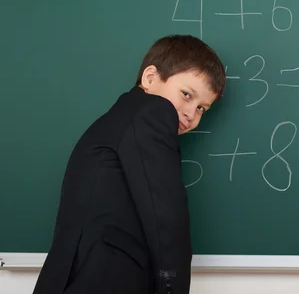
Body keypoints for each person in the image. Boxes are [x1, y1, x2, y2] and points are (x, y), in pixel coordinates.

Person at [32, 35, 226, 294]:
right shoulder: (153, 113)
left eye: (203, 108)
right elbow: (166, 217)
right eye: (186, 94)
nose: (191, 113)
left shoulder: (120, 118)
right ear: (150, 78)